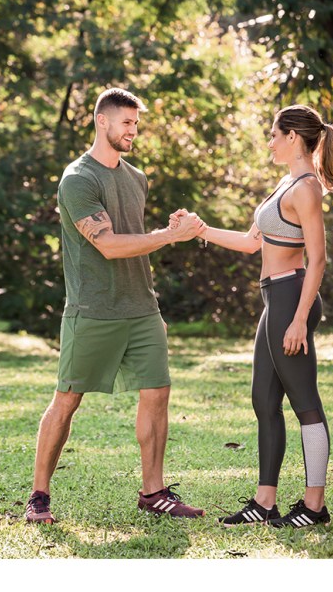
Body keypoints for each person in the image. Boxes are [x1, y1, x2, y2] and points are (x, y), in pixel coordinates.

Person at [25, 87, 208, 524]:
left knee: (158, 394)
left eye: (136, 123)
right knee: (67, 400)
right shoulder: (78, 179)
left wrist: (167, 234)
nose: (134, 131)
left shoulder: (136, 177)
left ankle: (154, 492)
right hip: (93, 310)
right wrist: (170, 236)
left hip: (142, 309)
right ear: (101, 121)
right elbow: (107, 245)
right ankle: (38, 496)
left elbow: (134, 239)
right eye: (127, 122)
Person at [189, 104, 333, 529]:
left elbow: (318, 260)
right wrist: (200, 229)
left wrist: (298, 319)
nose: (270, 141)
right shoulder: (285, 184)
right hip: (275, 299)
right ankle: (265, 501)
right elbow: (249, 242)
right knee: (264, 400)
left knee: (305, 403)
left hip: (292, 297)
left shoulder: (306, 189)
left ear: (293, 136)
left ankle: (315, 506)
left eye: (274, 134)